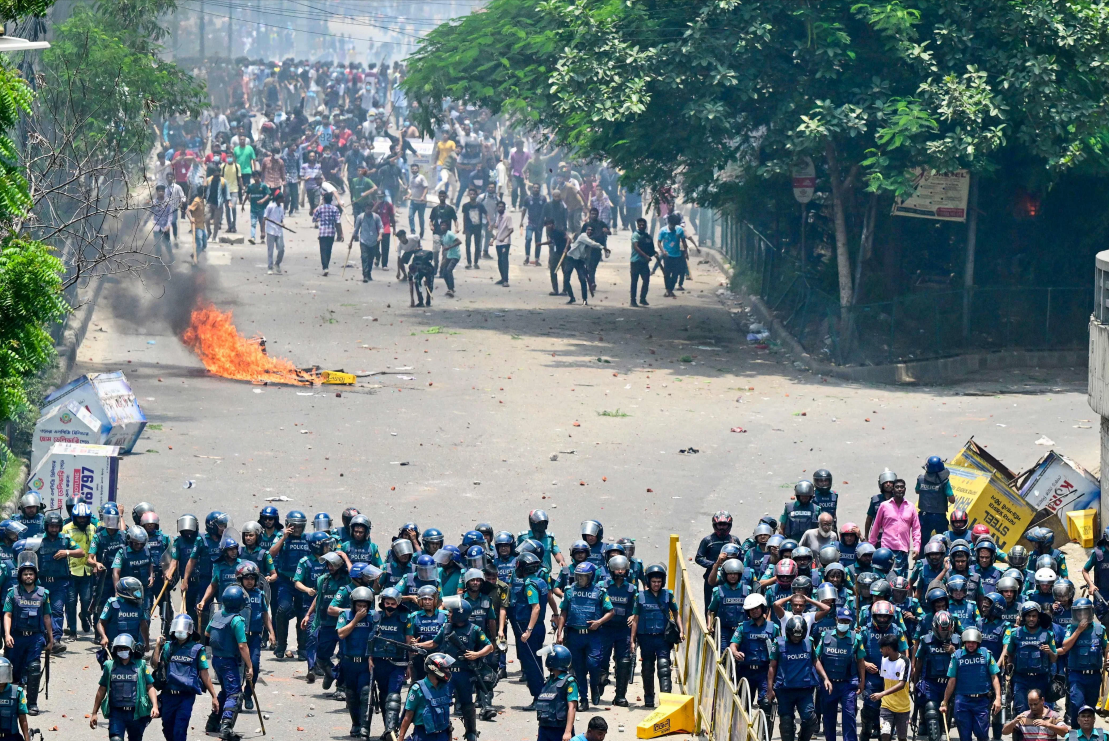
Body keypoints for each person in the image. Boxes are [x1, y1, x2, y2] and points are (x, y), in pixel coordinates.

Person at [150, 614, 218, 741]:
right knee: (168, 729)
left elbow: (204, 674)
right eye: (178, 629)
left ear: (190, 631)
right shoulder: (168, 647)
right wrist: (158, 646)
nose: (180, 632)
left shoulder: (197, 649)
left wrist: (214, 696)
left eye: (184, 629)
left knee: (180, 730)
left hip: (185, 697)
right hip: (168, 696)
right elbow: (155, 665)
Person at [3, 554, 51, 715]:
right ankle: (12, 702)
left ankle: (32, 703)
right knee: (13, 671)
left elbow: (46, 617)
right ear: (20, 576)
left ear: (35, 575)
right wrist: (7, 634)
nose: (28, 576)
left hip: (35, 637)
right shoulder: (12, 593)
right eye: (25, 574)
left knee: (34, 667)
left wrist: (50, 638)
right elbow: (7, 615)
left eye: (31, 573)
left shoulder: (43, 594)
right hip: (16, 637)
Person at [631, 564, 682, 709]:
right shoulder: (640, 596)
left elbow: (676, 613)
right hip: (645, 637)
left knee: (664, 667)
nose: (656, 584)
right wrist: (632, 640)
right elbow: (635, 619)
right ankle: (648, 699)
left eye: (659, 582)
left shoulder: (668, 595)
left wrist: (681, 630)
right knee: (647, 668)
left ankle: (666, 700)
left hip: (662, 637)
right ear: (648, 581)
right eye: (654, 581)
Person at [205, 585, 253, 740]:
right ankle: (226, 728)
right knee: (235, 694)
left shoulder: (217, 615)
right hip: (229, 661)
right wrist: (250, 666)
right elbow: (242, 645)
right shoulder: (237, 620)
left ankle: (213, 722)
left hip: (216, 660)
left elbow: (207, 633)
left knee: (225, 691)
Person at [90, 635, 159, 740]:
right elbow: (102, 689)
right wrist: (94, 713)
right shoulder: (109, 666)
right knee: (115, 739)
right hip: (117, 713)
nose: (123, 651)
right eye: (120, 649)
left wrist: (155, 706)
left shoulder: (140, 665)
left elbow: (150, 687)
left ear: (131, 649)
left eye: (125, 648)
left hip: (136, 713)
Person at [941, 627, 1003, 741]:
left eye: (973, 642)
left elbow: (994, 677)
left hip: (981, 701)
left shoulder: (986, 655)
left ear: (978, 642)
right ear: (964, 642)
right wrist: (945, 701)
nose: (970, 645)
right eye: (968, 642)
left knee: (982, 735)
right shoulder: (957, 656)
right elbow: (952, 680)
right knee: (965, 736)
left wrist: (998, 698)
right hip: (962, 702)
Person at [1000, 602, 1057, 716]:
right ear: (1023, 617)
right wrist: (1008, 673)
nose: (1031, 619)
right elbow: (1010, 654)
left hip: (1041, 679)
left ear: (1038, 617)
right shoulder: (1015, 634)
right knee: (1020, 711)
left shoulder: (1047, 635)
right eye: (1028, 616)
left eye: (1034, 616)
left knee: (1041, 713)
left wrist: (1049, 652)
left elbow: (1054, 658)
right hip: (1021, 679)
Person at [768, 615, 819, 741]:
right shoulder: (778, 643)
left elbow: (816, 661)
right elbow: (772, 667)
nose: (796, 638)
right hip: (784, 690)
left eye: (799, 636)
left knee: (810, 720)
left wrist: (825, 678)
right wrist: (770, 689)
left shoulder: (809, 643)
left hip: (804, 690)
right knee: (786, 723)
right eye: (794, 635)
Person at [36, 511, 81, 653]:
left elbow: (81, 552)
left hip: (60, 584)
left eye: (56, 526)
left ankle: (56, 640)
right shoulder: (38, 540)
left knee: (57, 610)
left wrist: (66, 552)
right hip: (42, 583)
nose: (54, 529)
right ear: (46, 526)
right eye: (51, 526)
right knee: (41, 611)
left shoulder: (65, 540)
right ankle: (43, 639)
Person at [1057, 597, 1106, 726]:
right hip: (1076, 675)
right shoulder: (1071, 628)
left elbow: (1106, 647)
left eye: (1084, 612)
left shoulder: (1100, 629)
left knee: (1090, 708)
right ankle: (1075, 732)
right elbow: (1065, 646)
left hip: (1094, 675)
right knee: (1077, 704)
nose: (1082, 615)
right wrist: (1078, 630)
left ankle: (1088, 735)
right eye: (1079, 612)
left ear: (1090, 612)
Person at [814, 607, 860, 741]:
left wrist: (862, 681)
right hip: (829, 684)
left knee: (849, 716)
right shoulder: (825, 636)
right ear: (836, 620)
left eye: (847, 621)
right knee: (828, 719)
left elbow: (861, 660)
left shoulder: (855, 638)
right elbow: (816, 658)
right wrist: (824, 678)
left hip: (848, 683)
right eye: (841, 620)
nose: (844, 623)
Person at [395, 652, 455, 741]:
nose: (448, 671)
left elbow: (445, 716)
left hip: (443, 735)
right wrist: (401, 738)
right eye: (445, 668)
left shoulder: (445, 687)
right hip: (424, 736)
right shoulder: (417, 689)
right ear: (434, 668)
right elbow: (408, 716)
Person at [868, 479, 920, 575]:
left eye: (902, 487)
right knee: (884, 577)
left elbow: (916, 529)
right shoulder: (884, 506)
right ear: (893, 490)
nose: (899, 489)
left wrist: (916, 547)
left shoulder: (911, 507)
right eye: (897, 487)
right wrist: (871, 546)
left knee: (900, 581)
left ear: (905, 490)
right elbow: (876, 526)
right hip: (886, 548)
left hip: (903, 550)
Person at [62, 502, 97, 639]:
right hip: (71, 570)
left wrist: (95, 565)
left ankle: (84, 616)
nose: (82, 520)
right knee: (70, 602)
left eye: (84, 517)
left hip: (87, 571)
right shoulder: (66, 529)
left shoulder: (93, 529)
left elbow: (96, 548)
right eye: (79, 517)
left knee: (87, 600)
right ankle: (73, 630)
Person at [536, 644, 579, 741]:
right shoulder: (548, 681)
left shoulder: (569, 682)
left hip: (560, 729)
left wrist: (568, 732)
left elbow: (572, 707)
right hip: (544, 728)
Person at [872, 635, 911, 741]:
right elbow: (885, 681)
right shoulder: (884, 660)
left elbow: (902, 684)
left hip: (902, 707)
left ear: (888, 648)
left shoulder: (905, 661)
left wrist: (882, 694)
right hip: (886, 705)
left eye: (882, 648)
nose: (880, 650)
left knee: (902, 738)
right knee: (885, 734)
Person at [1001, 689, 1069, 741]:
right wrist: (1014, 722)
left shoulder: (1053, 715)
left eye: (1035, 704)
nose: (1033, 707)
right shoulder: (1024, 717)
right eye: (1030, 704)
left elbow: (1065, 731)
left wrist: (1047, 725)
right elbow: (1004, 731)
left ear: (1042, 700)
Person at [916, 456, 954, 541]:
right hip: (939, 516)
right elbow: (952, 499)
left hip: (924, 515)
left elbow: (917, 491)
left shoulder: (921, 479)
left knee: (923, 540)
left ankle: (922, 554)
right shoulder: (945, 482)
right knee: (943, 540)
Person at [350, 200, 384, 283]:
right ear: (365, 208)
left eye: (370, 209)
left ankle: (369, 273)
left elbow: (381, 227)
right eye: (367, 208)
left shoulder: (376, 217)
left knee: (371, 259)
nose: (369, 210)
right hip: (363, 241)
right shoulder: (360, 217)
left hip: (373, 241)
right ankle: (365, 275)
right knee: (364, 257)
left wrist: (380, 236)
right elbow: (356, 229)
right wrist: (351, 241)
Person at [312, 190, 343, 276]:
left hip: (322, 233)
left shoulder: (319, 208)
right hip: (331, 232)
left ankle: (324, 267)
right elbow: (338, 222)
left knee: (323, 250)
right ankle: (327, 266)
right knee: (329, 250)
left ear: (324, 200)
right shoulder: (335, 209)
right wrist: (340, 234)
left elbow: (314, 219)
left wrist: (318, 219)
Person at [657, 213, 689, 297]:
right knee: (667, 273)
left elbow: (684, 242)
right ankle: (668, 289)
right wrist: (663, 251)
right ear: (669, 223)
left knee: (675, 274)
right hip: (667, 256)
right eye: (671, 225)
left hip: (677, 255)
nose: (673, 227)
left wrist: (686, 252)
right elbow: (658, 242)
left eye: (674, 225)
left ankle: (670, 289)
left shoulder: (679, 230)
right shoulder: (663, 230)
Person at [428, 190, 458, 271]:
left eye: (443, 196)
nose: (442, 197)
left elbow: (455, 220)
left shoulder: (450, 209)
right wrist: (431, 226)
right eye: (440, 196)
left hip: (446, 235)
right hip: (436, 233)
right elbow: (431, 220)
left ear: (446, 197)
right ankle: (436, 265)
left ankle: (442, 268)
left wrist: (456, 228)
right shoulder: (435, 209)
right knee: (435, 251)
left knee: (445, 254)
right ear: (438, 197)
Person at [629, 217, 655, 306]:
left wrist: (653, 254)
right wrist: (646, 256)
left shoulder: (647, 236)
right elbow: (636, 247)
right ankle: (633, 300)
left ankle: (642, 298)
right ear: (637, 225)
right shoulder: (635, 235)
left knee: (646, 280)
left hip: (644, 263)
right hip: (635, 261)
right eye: (640, 224)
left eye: (643, 225)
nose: (641, 226)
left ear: (646, 226)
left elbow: (651, 248)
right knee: (634, 282)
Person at [263, 191, 286, 275]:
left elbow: (281, 218)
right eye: (282, 198)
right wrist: (263, 231)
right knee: (270, 250)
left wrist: (282, 223)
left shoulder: (281, 208)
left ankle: (277, 263)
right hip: (270, 231)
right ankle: (270, 267)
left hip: (279, 231)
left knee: (281, 249)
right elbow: (265, 218)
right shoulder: (270, 206)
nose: (283, 199)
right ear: (278, 199)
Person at [492, 200, 513, 286]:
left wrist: (504, 238)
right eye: (499, 207)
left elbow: (511, 229)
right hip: (498, 242)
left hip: (505, 242)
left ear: (504, 208)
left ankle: (506, 280)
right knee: (500, 260)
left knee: (504, 260)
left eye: (502, 207)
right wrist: (493, 239)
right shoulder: (498, 216)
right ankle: (502, 278)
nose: (500, 208)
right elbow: (499, 229)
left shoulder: (507, 217)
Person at [186, 192, 207, 264]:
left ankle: (194, 255)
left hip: (202, 226)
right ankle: (195, 259)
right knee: (200, 244)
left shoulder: (202, 200)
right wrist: (191, 219)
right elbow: (188, 210)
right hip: (196, 226)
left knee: (204, 244)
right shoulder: (196, 201)